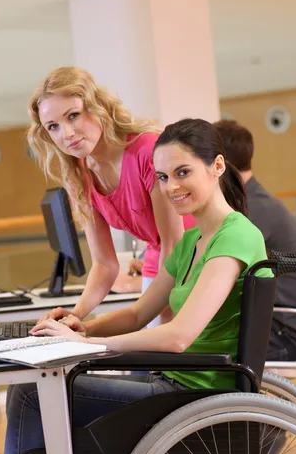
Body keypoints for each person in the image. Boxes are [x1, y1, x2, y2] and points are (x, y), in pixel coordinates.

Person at [0, 119, 272, 454]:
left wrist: (90, 345)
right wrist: (81, 325)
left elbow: (179, 336)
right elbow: (141, 311)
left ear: (217, 166)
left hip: (195, 393)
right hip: (174, 382)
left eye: (183, 172)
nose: (171, 187)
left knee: (33, 393)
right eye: (162, 177)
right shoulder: (193, 239)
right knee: (42, 387)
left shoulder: (235, 237)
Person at [27, 66, 195, 328]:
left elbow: (175, 245)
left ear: (97, 107)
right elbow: (105, 264)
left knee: (156, 345)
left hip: (199, 255)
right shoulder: (79, 175)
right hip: (160, 257)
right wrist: (75, 315)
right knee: (144, 353)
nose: (66, 133)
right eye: (53, 127)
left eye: (73, 115)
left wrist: (154, 315)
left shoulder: (147, 150)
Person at [214, 119, 296, 362]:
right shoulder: (253, 202)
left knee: (196, 350)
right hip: (281, 327)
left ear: (221, 163)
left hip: (283, 335)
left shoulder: (253, 210)